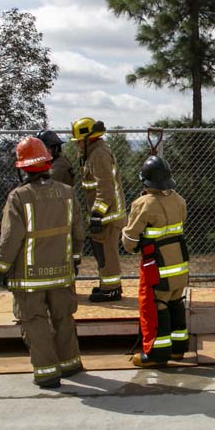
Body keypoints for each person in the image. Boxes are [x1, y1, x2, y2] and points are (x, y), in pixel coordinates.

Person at [0, 137, 85, 389]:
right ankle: (71, 364)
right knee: (64, 317)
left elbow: (11, 238)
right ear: (46, 162)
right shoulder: (67, 193)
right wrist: (75, 259)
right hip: (62, 271)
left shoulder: (19, 197)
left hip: (29, 276)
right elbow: (78, 231)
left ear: (23, 167)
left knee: (35, 322)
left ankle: (47, 373)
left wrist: (0, 268)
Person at [122, 155, 189, 367]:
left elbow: (130, 240)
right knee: (175, 301)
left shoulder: (143, 204)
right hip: (179, 262)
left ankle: (156, 355)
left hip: (157, 265)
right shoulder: (179, 200)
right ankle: (178, 350)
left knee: (156, 304)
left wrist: (133, 245)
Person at [71, 117, 126, 302]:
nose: (77, 144)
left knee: (107, 253)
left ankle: (111, 289)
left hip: (108, 216)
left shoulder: (99, 155)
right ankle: (108, 285)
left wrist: (97, 213)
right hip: (105, 216)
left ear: (88, 139)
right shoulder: (94, 153)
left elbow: (106, 188)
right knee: (102, 252)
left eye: (79, 140)